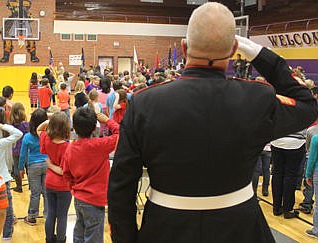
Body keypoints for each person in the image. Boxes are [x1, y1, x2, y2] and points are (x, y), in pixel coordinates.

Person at [108, 2, 317, 243]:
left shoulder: (145, 103)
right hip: (241, 228)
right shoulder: (257, 99)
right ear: (233, 50)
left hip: (164, 229)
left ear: (184, 49)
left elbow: (121, 187)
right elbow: (307, 105)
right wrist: (258, 54)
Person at [62, 108, 119, 243]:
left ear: (74, 127)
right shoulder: (99, 145)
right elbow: (122, 134)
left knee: (79, 234)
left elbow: (66, 173)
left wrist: (74, 188)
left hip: (78, 198)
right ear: (94, 128)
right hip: (95, 200)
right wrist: (107, 121)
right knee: (93, 237)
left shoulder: (70, 148)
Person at [37, 112, 71, 243]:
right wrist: (51, 166)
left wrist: (48, 121)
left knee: (51, 213)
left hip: (49, 182)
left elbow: (38, 129)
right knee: (62, 215)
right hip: (63, 185)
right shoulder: (68, 147)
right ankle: (61, 240)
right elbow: (63, 171)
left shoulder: (46, 138)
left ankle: (49, 239)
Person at [19, 109, 48, 225]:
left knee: (35, 193)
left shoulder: (27, 137)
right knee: (46, 192)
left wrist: (21, 168)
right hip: (47, 164)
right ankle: (48, 215)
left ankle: (32, 216)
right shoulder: (48, 135)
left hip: (33, 166)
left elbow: (22, 155)